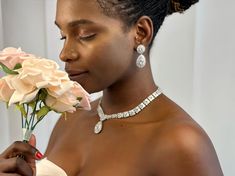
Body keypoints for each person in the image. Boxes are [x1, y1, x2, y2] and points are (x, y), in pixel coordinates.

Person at [0, 0, 224, 175]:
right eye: (63, 36)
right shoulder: (71, 120)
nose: (65, 53)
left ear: (141, 33)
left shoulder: (181, 143)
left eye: (86, 35)